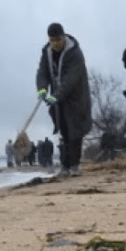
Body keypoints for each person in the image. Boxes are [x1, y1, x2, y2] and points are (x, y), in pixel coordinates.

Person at [36, 23, 93, 177]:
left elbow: (71, 79)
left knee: (75, 131)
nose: (55, 43)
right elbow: (43, 72)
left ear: (63, 37)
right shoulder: (46, 52)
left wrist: (55, 96)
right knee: (64, 131)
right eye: (52, 40)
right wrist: (42, 90)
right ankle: (65, 166)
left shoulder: (75, 53)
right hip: (58, 97)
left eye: (58, 40)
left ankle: (74, 166)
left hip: (76, 97)